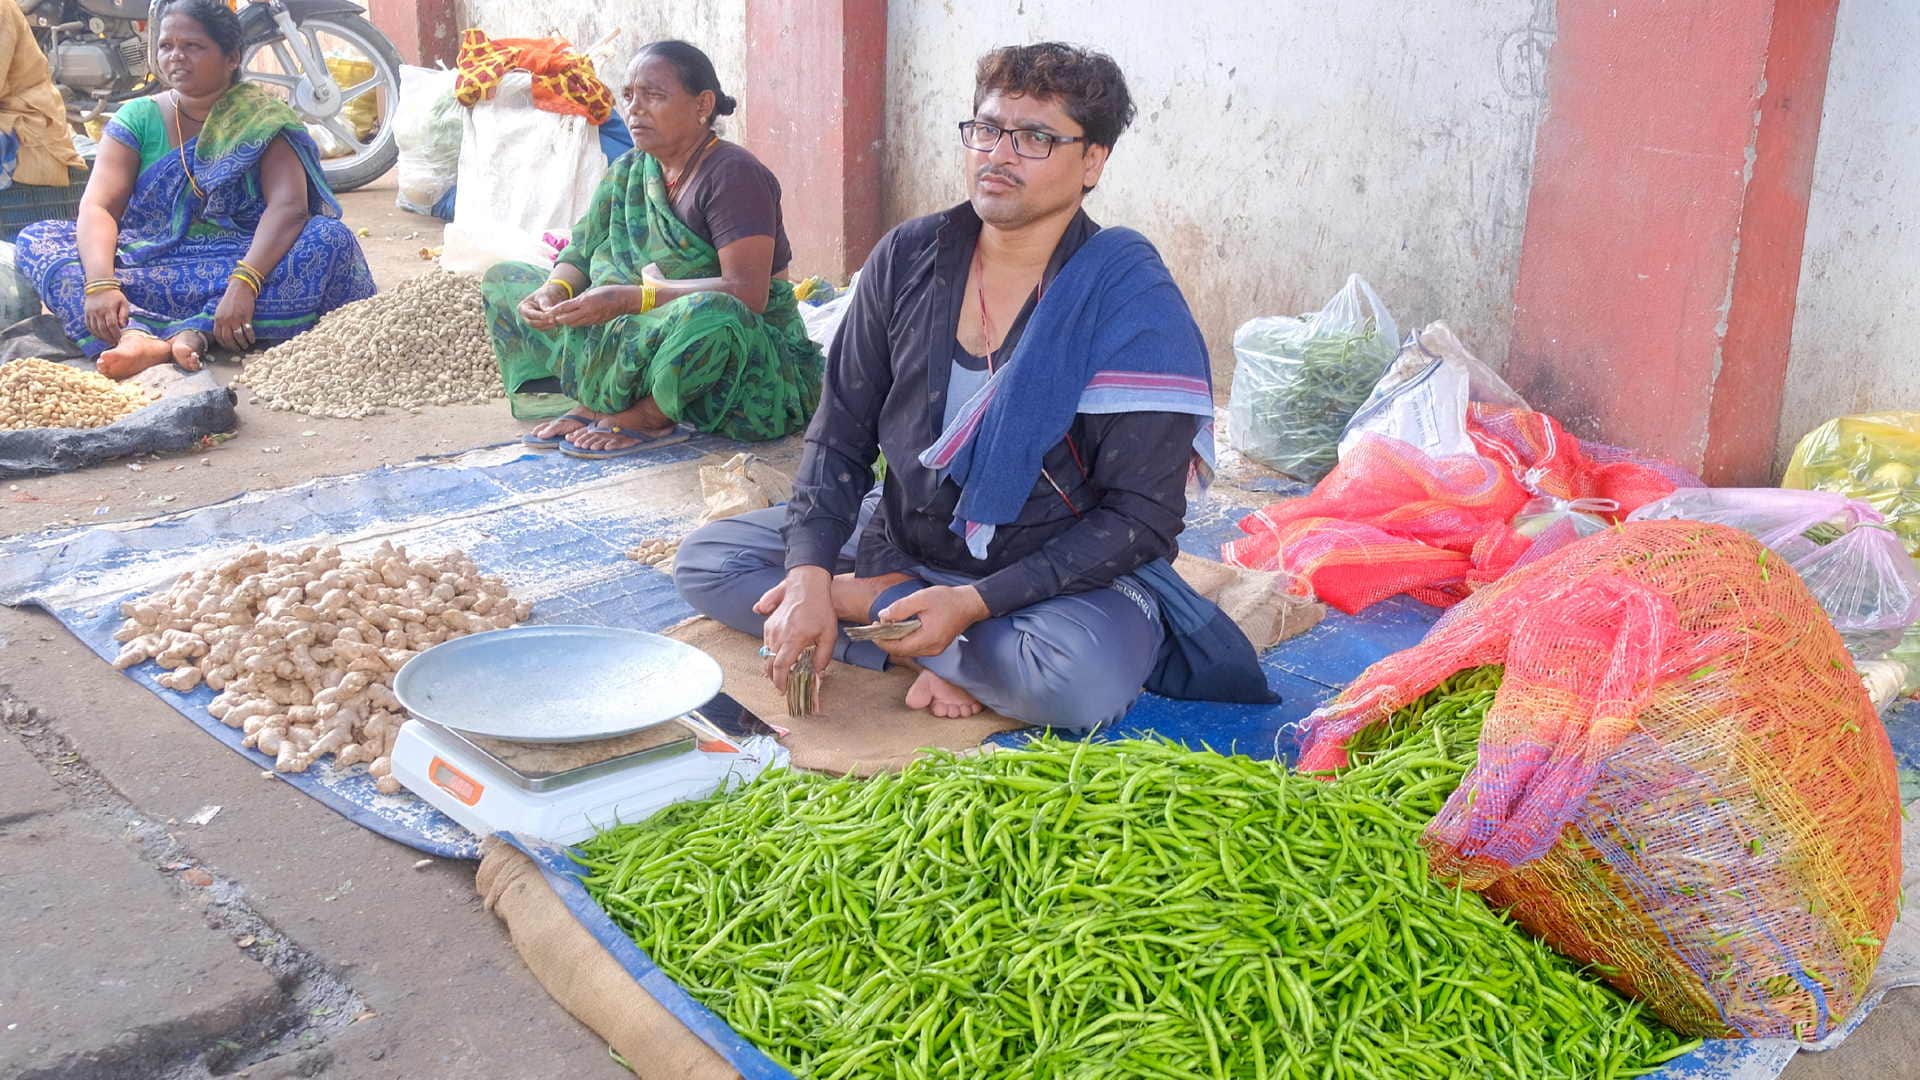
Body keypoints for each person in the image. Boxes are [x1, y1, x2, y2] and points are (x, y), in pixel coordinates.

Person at [675, 43, 1273, 730]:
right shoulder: (908, 256)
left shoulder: (1128, 299)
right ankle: (911, 627)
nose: (999, 153)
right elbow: (840, 434)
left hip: (1049, 571)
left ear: (1093, 162)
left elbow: (1142, 518)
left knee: (1074, 682)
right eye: (986, 130)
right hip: (906, 536)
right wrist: (811, 577)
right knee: (710, 561)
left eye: (1036, 138)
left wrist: (975, 602)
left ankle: (888, 620)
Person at [482, 40, 822, 459]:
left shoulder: (734, 175)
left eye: (654, 96)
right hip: (641, 330)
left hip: (747, 357)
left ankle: (650, 414)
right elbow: (582, 251)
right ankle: (599, 399)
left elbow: (749, 294)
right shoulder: (629, 170)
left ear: (703, 105)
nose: (635, 109)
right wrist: (555, 290)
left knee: (713, 312)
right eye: (628, 96)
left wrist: (638, 298)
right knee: (507, 280)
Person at [12, 0, 374, 380]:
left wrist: (245, 282)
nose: (176, 57)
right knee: (39, 238)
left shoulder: (262, 118)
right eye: (166, 46)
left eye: (193, 46)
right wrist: (101, 283)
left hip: (241, 260)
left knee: (330, 238)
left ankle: (194, 331)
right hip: (148, 262)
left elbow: (290, 208)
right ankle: (137, 334)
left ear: (231, 57)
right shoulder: (138, 117)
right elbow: (99, 207)